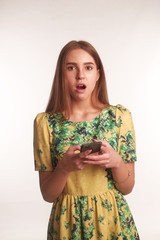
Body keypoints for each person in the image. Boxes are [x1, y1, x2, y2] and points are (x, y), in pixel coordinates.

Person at [33, 40, 139, 240]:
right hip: (67, 224)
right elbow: (48, 195)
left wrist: (116, 162)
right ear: (61, 75)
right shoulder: (46, 123)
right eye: (71, 67)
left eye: (88, 67)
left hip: (112, 221)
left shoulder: (118, 117)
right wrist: (63, 168)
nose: (80, 75)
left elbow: (127, 188)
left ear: (98, 74)